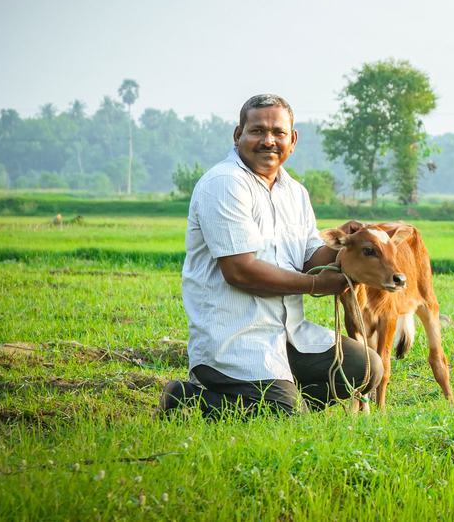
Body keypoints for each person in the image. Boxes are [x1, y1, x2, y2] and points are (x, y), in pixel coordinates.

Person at [160, 93, 382, 416]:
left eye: (278, 133)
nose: (268, 141)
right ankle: (188, 397)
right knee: (282, 413)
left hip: (289, 335)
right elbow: (241, 271)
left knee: (366, 368)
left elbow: (310, 258)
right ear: (238, 136)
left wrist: (346, 248)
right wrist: (316, 286)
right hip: (235, 340)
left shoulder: (294, 192)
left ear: (292, 140)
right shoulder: (224, 184)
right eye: (257, 131)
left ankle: (285, 400)